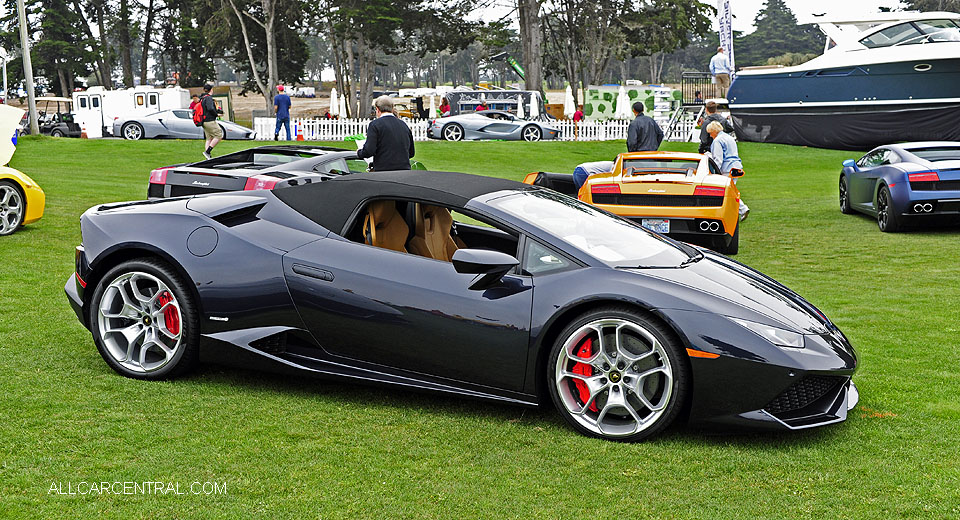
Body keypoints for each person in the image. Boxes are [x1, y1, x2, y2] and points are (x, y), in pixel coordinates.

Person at [357, 95, 415, 172]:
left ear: (377, 109)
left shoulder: (375, 125)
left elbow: (369, 151)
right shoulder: (403, 125)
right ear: (392, 108)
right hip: (404, 172)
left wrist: (359, 153)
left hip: (384, 172)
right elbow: (411, 153)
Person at [706, 121, 748, 221]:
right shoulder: (729, 138)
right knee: (730, 191)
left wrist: (715, 172)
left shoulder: (717, 141)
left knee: (727, 192)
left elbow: (719, 159)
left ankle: (742, 209)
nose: (710, 135)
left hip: (727, 168)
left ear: (714, 131)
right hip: (736, 166)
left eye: (710, 133)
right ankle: (738, 210)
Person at [199, 84, 223, 159]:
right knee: (219, 135)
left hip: (204, 121)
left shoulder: (202, 98)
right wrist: (217, 114)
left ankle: (208, 157)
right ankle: (207, 152)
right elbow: (210, 108)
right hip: (209, 121)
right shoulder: (208, 98)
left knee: (209, 138)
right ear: (211, 90)